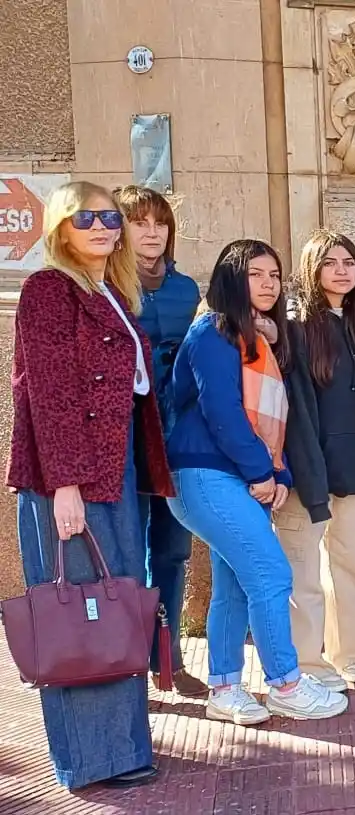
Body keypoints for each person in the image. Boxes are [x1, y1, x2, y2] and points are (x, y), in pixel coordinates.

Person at [8, 182, 173, 788]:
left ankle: (124, 748)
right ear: (59, 229)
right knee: (82, 610)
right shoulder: (49, 289)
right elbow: (49, 394)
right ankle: (93, 759)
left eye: (109, 218)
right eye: (86, 219)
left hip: (112, 472)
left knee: (116, 602)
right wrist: (66, 486)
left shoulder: (109, 290)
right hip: (69, 475)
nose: (103, 227)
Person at [168, 239, 349, 723]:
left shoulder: (259, 341)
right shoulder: (212, 333)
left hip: (230, 475)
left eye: (274, 275)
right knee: (271, 575)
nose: (268, 284)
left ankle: (224, 687)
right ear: (231, 279)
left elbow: (273, 417)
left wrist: (280, 472)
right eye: (256, 274)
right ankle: (286, 684)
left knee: (235, 583)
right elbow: (222, 412)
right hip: (204, 474)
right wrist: (262, 472)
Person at [114, 183, 208, 698]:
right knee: (125, 552)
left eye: (160, 223)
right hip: (121, 440)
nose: (151, 233)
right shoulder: (103, 287)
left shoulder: (187, 290)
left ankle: (164, 657)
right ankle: (128, 665)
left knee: (172, 551)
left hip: (173, 439)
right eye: (139, 222)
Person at [277, 230, 355, 690]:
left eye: (349, 262)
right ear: (311, 270)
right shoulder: (296, 328)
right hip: (307, 467)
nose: (341, 270)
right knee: (303, 571)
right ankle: (307, 663)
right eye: (330, 263)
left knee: (349, 560)